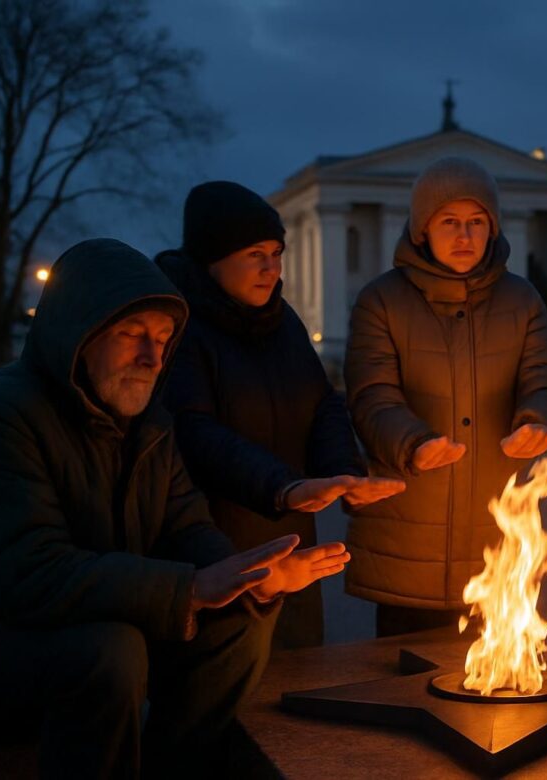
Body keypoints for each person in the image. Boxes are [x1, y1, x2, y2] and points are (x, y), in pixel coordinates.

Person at [0, 239, 352, 778]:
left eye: (163, 338)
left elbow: (185, 526)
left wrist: (251, 578)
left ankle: (177, 767)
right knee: (110, 651)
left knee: (239, 624)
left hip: (100, 617)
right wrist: (190, 590)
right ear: (77, 333)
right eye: (130, 335)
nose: (152, 356)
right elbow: (31, 576)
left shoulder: (147, 423)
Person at [157, 181, 404, 649]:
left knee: (297, 681)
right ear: (213, 258)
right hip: (212, 544)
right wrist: (281, 487)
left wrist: (342, 471)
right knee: (227, 685)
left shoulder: (281, 319)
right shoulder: (179, 325)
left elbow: (322, 402)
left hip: (291, 542)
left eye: (276, 252)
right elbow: (193, 431)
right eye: (255, 254)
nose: (271, 268)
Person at [344, 157, 547, 637]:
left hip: (496, 536)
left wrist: (539, 418)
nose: (464, 236)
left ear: (492, 229)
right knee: (406, 683)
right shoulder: (381, 301)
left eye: (476, 223)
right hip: (408, 536)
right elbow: (371, 394)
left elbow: (545, 375)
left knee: (494, 694)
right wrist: (413, 443)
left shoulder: (521, 300)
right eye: (449, 222)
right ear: (423, 228)